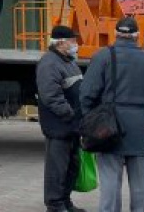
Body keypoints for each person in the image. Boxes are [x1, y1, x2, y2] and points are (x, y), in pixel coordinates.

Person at [79, 16, 144, 212]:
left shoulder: (102, 56)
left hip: (108, 128)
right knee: (142, 186)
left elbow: (86, 94)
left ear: (116, 34)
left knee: (110, 183)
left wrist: (93, 120)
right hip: (139, 128)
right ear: (137, 36)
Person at [36, 25, 85, 212]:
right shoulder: (49, 63)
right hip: (59, 125)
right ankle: (55, 204)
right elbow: (51, 96)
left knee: (71, 165)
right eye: (72, 41)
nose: (76, 44)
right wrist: (70, 114)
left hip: (72, 125)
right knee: (57, 167)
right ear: (60, 43)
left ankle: (65, 201)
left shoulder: (68, 61)